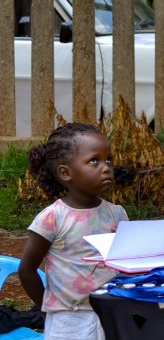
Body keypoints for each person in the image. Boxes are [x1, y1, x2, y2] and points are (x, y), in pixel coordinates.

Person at [19, 123, 128, 339]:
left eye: (108, 160)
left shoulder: (117, 214)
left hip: (112, 312)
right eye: (94, 161)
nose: (106, 167)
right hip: (68, 319)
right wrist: (45, 308)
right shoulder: (53, 218)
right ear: (65, 172)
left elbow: (125, 262)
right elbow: (27, 270)